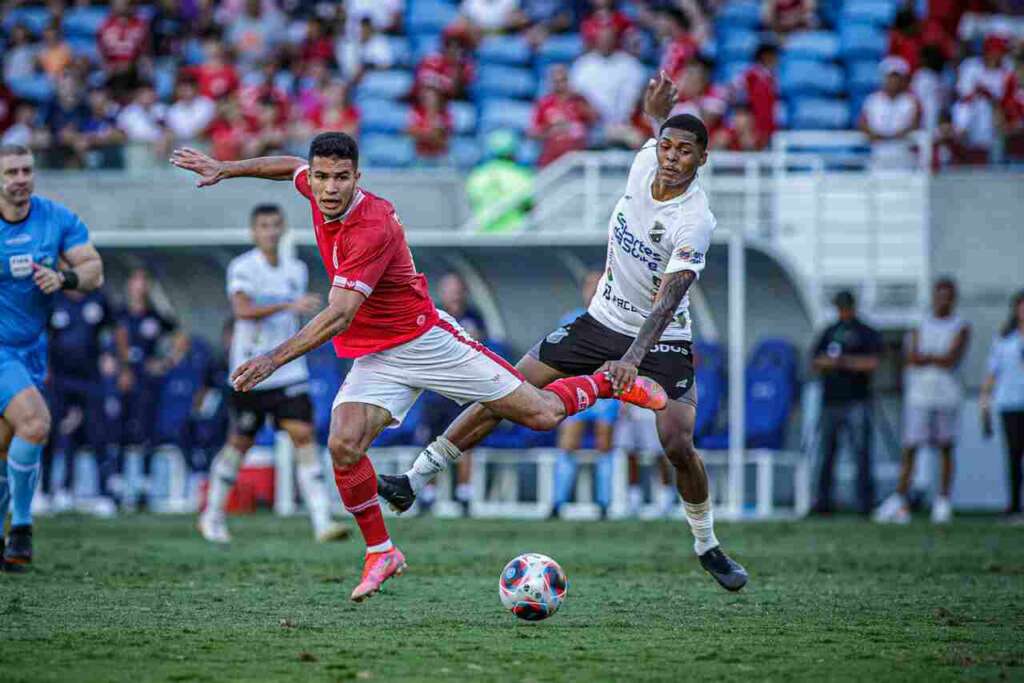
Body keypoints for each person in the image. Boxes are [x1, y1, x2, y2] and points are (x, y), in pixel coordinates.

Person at [169, 133, 665, 602]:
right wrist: (226, 168)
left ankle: (606, 382)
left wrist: (272, 358)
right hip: (379, 354)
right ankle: (381, 552)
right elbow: (287, 167)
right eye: (321, 177)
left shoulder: (372, 225)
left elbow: (339, 314)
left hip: (427, 341)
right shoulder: (316, 187)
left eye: (341, 178)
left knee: (541, 414)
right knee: (343, 444)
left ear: (357, 177)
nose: (329, 188)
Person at [379, 72, 749, 592]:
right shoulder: (646, 159)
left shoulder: (694, 219)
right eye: (667, 146)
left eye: (685, 151)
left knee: (677, 442)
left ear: (702, 159)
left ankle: (707, 545)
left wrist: (632, 358)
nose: (671, 157)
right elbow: (657, 132)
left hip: (661, 338)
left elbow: (669, 298)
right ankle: (413, 480)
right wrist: (656, 115)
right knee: (505, 388)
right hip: (599, 322)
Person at [199, 203, 349, 544]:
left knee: (304, 437)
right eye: (264, 226)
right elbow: (242, 310)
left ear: (283, 230)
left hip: (289, 370)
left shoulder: (296, 269)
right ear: (254, 232)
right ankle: (213, 516)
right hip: (251, 371)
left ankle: (322, 521)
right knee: (239, 443)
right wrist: (288, 305)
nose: (270, 232)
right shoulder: (243, 267)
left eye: (275, 225)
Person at [0, 143, 105, 567]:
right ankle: (23, 527)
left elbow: (94, 270)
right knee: (35, 422)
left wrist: (64, 278)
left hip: (32, 349)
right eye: (11, 172)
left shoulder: (56, 218)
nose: (20, 179)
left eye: (26, 170)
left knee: (6, 444)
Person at [875, 278, 970, 525]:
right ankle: (900, 498)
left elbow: (950, 359)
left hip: (947, 395)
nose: (942, 301)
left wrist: (928, 358)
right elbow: (912, 357)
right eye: (939, 295)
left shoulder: (960, 326)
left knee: (946, 447)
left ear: (953, 299)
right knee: (911, 447)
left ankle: (943, 500)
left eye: (947, 296)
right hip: (919, 395)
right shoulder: (920, 323)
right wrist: (934, 357)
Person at [40, 287, 118, 516]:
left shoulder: (99, 299)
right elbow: (40, 333)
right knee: (50, 433)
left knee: (98, 434)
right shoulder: (53, 299)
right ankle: (45, 492)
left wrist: (111, 354)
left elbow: (113, 330)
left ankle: (104, 494)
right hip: (59, 380)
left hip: (90, 379)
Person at [551, 272, 619, 518]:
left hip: (606, 391)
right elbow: (559, 356)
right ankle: (558, 502)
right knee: (568, 443)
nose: (593, 290)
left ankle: (604, 503)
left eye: (599, 285)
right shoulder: (572, 319)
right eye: (590, 285)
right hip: (577, 388)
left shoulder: (618, 319)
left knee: (604, 444)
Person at [810, 291, 882, 516]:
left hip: (857, 400)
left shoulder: (865, 332)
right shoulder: (829, 331)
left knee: (861, 454)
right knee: (827, 454)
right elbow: (816, 360)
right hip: (831, 401)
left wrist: (842, 362)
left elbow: (872, 362)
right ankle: (823, 503)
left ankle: (865, 504)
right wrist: (836, 363)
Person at [114, 267, 177, 509]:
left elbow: (178, 334)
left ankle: (145, 485)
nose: (140, 286)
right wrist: (121, 368)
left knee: (147, 430)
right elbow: (114, 341)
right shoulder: (121, 313)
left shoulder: (155, 315)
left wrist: (165, 362)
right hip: (125, 379)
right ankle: (117, 485)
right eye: (136, 280)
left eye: (144, 281)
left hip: (148, 381)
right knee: (120, 429)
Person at [980, 291, 1024, 522]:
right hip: (1011, 402)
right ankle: (1015, 505)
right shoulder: (1005, 340)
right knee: (1014, 455)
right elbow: (992, 373)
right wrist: (984, 403)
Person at [859, 57, 922, 170]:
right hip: (878, 156)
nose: (893, 81)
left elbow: (915, 124)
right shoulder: (872, 100)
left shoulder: (911, 101)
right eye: (890, 77)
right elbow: (862, 123)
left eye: (896, 77)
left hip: (904, 156)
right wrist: (876, 135)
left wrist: (893, 136)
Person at [464, 131, 534, 232]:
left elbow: (472, 201)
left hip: (483, 233)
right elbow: (528, 205)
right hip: (514, 233)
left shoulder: (478, 174)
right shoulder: (520, 174)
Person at [530, 64, 598, 168]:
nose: (560, 85)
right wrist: (552, 131)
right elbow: (533, 133)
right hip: (551, 160)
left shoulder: (579, 101)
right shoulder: (544, 104)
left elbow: (595, 120)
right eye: (556, 81)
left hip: (576, 160)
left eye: (563, 80)